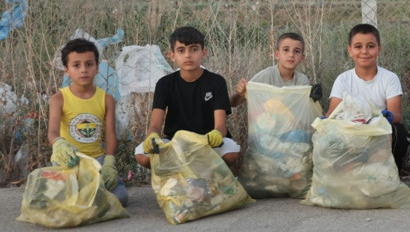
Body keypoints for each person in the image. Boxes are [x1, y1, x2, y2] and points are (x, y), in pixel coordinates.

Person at [136, 26, 239, 168]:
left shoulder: (216, 81)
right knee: (142, 156)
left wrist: (215, 135)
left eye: (194, 49)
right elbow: (155, 125)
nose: (188, 55)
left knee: (231, 153)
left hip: (208, 141)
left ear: (204, 52)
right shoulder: (164, 84)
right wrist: (152, 136)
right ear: (172, 56)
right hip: (175, 141)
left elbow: (221, 126)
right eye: (181, 50)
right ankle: (172, 178)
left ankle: (210, 178)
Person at [47, 38, 128, 206]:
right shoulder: (59, 99)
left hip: (96, 161)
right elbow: (53, 132)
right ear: (67, 70)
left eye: (89, 64)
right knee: (56, 196)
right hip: (69, 161)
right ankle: (88, 197)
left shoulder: (107, 99)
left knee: (121, 196)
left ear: (97, 67)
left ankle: (87, 197)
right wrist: (59, 144)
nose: (84, 70)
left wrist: (109, 162)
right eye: (76, 65)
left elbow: (111, 134)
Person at [327, 23, 409, 167]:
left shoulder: (389, 78)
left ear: (379, 49)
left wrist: (380, 117)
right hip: (351, 131)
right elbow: (332, 113)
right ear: (350, 50)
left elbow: (396, 114)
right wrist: (325, 120)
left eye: (370, 46)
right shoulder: (343, 79)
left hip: (378, 131)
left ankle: (389, 175)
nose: (364, 51)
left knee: (400, 133)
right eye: (358, 46)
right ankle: (344, 175)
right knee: (328, 135)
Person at [230, 32, 310, 107]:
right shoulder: (265, 77)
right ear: (277, 54)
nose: (291, 55)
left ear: (302, 58)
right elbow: (232, 103)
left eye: (296, 51)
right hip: (264, 121)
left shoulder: (302, 81)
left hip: (293, 121)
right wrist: (240, 93)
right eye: (286, 50)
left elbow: (306, 109)